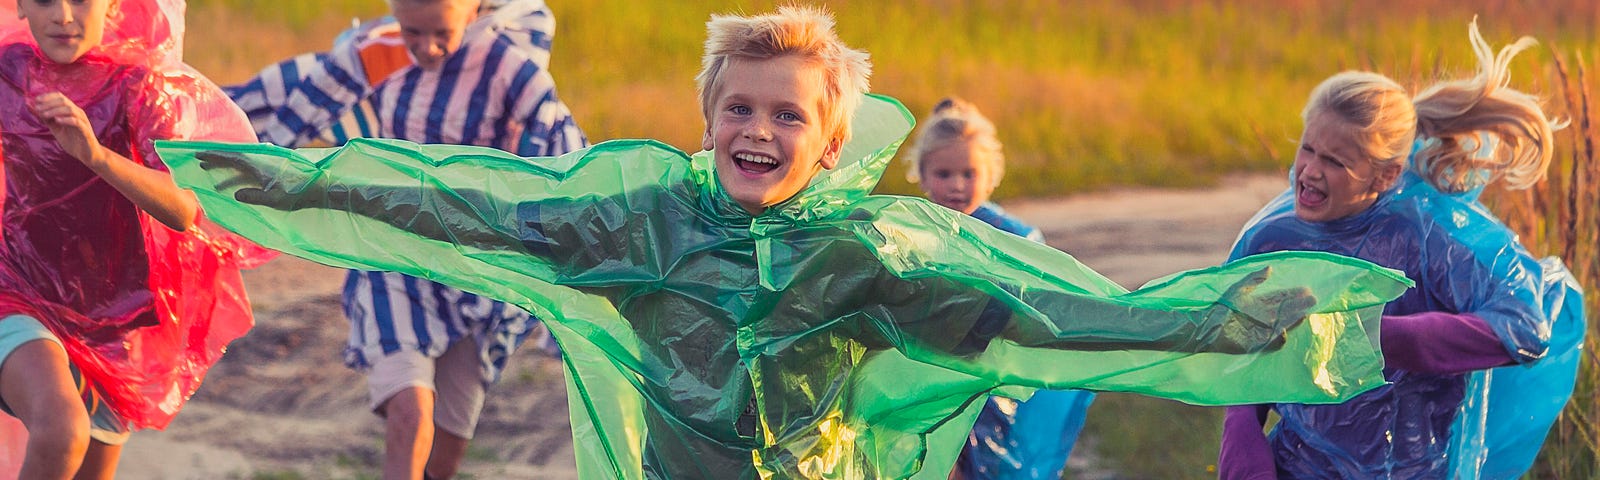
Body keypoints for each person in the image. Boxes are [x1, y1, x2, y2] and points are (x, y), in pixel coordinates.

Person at [161, 6, 1410, 478]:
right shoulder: (639, 219)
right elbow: (457, 209)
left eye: (785, 116)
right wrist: (258, 177)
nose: (757, 130)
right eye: (737, 109)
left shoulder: (868, 257)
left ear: (829, 143)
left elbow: (1051, 324)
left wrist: (1217, 321)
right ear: (705, 121)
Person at [224, 0, 582, 478]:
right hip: (394, 252)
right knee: (412, 413)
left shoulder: (507, 67)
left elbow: (560, 155)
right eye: (412, 31)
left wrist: (554, 253)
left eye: (440, 33)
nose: (425, 48)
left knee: (451, 435)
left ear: (472, 11)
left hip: (479, 268)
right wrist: (253, 160)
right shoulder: (376, 52)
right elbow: (302, 107)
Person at [1218, 20, 1585, 480]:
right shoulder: (1271, 242)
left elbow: (1526, 325)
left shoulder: (1433, 237)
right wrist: (1244, 455)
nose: (1309, 172)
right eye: (1307, 149)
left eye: (1334, 161)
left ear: (1385, 176)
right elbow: (1243, 372)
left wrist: (1379, 338)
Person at [0, 0, 269, 478]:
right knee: (62, 431)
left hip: (113, 317)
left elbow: (183, 209)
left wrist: (96, 155)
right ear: (19, 6)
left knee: (86, 461)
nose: (63, 15)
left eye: (81, 0)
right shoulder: (8, 72)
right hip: (16, 290)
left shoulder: (139, 88)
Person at [904, 97, 1095, 480]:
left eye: (969, 174)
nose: (957, 186)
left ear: (990, 176)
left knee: (982, 462)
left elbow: (1039, 305)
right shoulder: (911, 230)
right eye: (944, 174)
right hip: (927, 375)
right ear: (922, 175)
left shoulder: (1013, 238)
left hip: (991, 381)